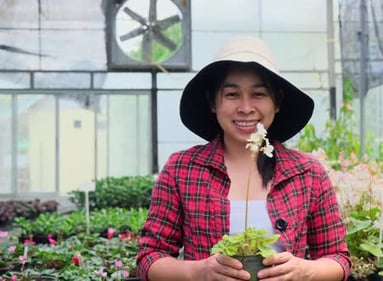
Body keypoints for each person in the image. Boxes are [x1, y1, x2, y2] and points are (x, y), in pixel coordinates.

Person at [137, 36, 351, 281]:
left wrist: (304, 271)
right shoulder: (183, 169)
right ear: (212, 102)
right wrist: (199, 271)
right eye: (232, 95)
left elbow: (338, 258)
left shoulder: (307, 172)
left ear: (277, 102)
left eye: (258, 94)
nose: (246, 107)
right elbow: (149, 258)